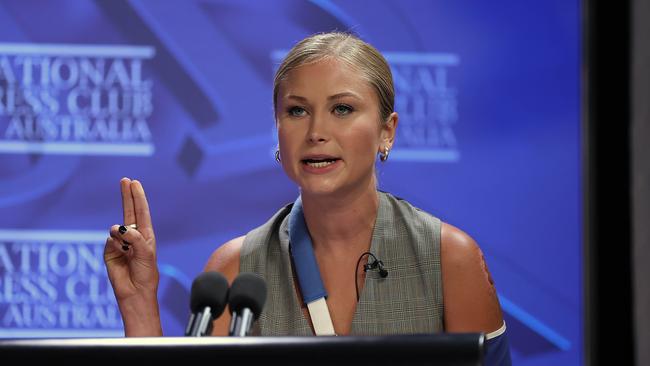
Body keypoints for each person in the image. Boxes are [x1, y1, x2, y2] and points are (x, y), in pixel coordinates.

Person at [104, 32, 510, 362]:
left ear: (387, 131)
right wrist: (140, 304)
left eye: (343, 109)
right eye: (297, 111)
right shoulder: (234, 270)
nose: (316, 131)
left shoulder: (448, 258)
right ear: (277, 129)